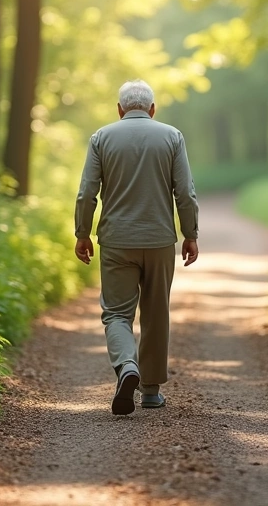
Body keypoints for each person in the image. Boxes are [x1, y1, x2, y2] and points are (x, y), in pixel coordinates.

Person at [74, 80, 200, 415]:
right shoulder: (172, 136)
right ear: (152, 109)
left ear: (120, 110)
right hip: (159, 240)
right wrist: (190, 232)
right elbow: (184, 192)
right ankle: (150, 391)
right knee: (156, 312)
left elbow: (87, 192)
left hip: (116, 241)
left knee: (116, 313)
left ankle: (127, 365)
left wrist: (82, 231)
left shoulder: (101, 137)